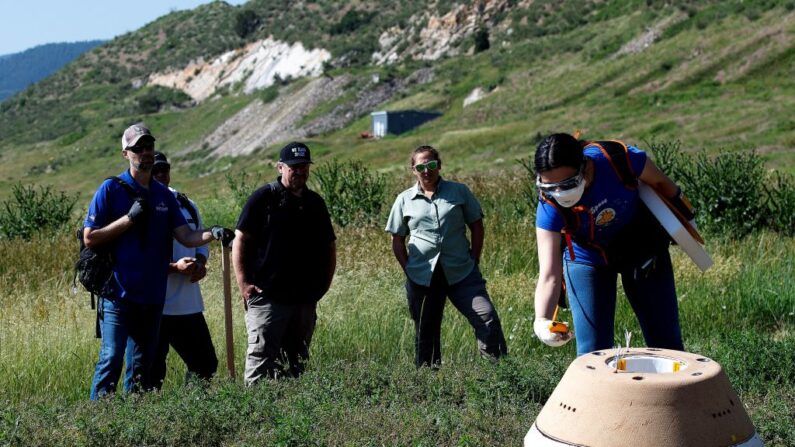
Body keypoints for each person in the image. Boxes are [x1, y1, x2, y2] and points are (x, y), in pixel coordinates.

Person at [84, 124, 233, 399]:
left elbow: (186, 236)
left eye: (149, 147)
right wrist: (129, 219)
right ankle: (99, 425)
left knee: (141, 366)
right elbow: (90, 238)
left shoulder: (164, 195)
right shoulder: (111, 189)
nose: (145, 153)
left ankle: (135, 423)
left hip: (152, 298)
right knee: (112, 358)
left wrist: (213, 233)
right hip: (117, 293)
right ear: (125, 153)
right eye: (138, 148)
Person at [532, 133, 693, 355]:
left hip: (641, 247)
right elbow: (549, 275)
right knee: (592, 353)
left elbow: (661, 183)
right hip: (587, 257)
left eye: (567, 184)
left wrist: (686, 222)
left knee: (666, 343)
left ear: (584, 167)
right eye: (551, 187)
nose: (559, 193)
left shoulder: (618, 158)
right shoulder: (548, 204)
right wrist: (541, 321)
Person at [385, 145, 507, 368]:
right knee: (426, 331)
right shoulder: (404, 199)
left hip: (461, 271)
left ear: (439, 166)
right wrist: (409, 270)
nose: (426, 171)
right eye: (420, 166)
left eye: (431, 165)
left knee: (486, 317)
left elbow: (477, 225)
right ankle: (429, 383)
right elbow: (397, 240)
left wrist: (475, 258)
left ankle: (498, 375)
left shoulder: (459, 192)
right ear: (413, 170)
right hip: (423, 276)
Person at [232, 142, 336, 384]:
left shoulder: (315, 203)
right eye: (293, 167)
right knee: (261, 359)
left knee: (297, 362)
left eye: (303, 166)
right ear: (280, 167)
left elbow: (329, 246)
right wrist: (243, 283)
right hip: (267, 297)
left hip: (303, 300)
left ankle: (291, 416)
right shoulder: (263, 198)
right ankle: (254, 416)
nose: (299, 171)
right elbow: (241, 239)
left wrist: (322, 287)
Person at [149, 152, 218, 389]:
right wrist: (174, 268)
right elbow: (137, 259)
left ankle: (193, 413)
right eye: (155, 170)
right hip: (152, 305)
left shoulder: (186, 203)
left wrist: (200, 264)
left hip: (186, 304)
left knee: (205, 364)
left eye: (164, 169)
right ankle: (149, 421)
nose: (161, 175)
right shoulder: (137, 203)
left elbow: (200, 241)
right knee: (150, 373)